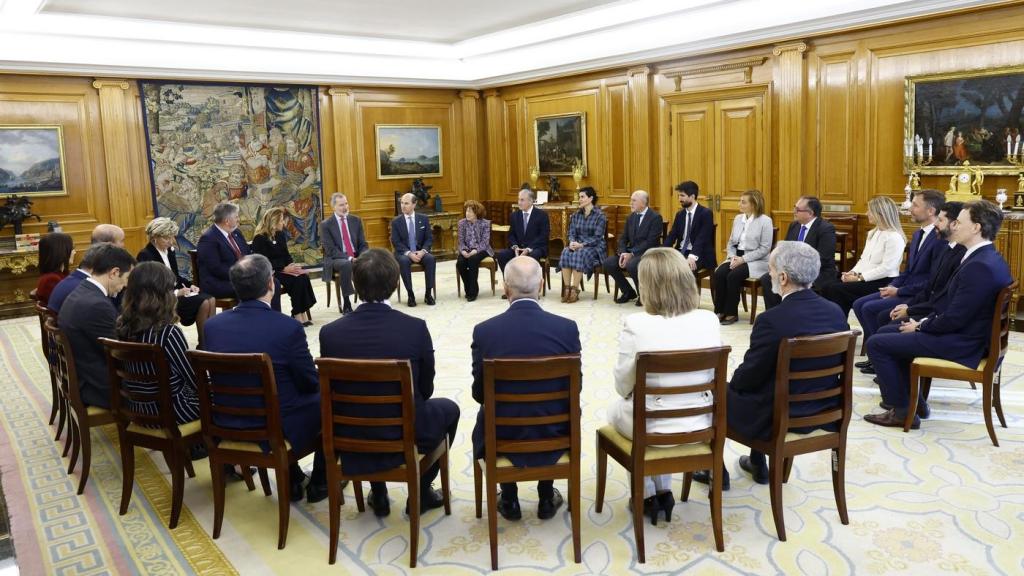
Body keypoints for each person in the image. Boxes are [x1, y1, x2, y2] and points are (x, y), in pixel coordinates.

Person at [695, 242, 849, 489]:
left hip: (778, 417)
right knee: (768, 384)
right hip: (824, 410)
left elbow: (748, 377)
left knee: (711, 390)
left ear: (784, 277)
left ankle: (714, 470)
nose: (769, 275)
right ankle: (758, 463)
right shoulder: (836, 313)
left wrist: (729, 386)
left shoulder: (771, 320)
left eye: (771, 269)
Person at [319, 248, 459, 517]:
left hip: (351, 433)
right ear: (396, 284)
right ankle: (421, 490)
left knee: (365, 410)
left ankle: (379, 492)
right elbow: (426, 390)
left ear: (355, 285)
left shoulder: (330, 333)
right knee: (449, 409)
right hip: (405, 431)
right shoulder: (414, 327)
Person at [864, 200, 1013, 429]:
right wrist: (921, 321)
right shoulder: (984, 257)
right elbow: (956, 309)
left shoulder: (979, 265)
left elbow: (955, 318)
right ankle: (916, 404)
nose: (954, 226)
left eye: (960, 222)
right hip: (966, 334)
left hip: (964, 342)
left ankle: (903, 411)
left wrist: (920, 326)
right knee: (890, 332)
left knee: (878, 343)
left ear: (976, 228)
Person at [201, 254, 328, 503]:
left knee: (281, 394)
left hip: (228, 420)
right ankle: (321, 483)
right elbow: (309, 382)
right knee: (329, 397)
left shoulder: (212, 326)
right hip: (275, 427)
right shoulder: (287, 327)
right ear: (271, 284)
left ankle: (293, 479)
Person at [607, 248, 721, 523]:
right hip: (701, 422)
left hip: (652, 426)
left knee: (621, 409)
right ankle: (664, 491)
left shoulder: (637, 324)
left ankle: (646, 494)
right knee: (653, 409)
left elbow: (623, 386)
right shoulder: (708, 319)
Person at [471, 256, 581, 521]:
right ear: (541, 285)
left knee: (485, 415)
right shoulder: (567, 329)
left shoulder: (485, 331)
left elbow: (478, 394)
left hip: (503, 437)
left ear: (505, 288)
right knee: (563, 408)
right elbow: (576, 389)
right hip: (554, 434)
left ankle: (508, 498)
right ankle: (546, 495)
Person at [852, 189, 945, 373]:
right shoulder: (919, 234)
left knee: (870, 308)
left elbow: (932, 280)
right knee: (860, 303)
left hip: (918, 295)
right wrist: (893, 286)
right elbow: (908, 271)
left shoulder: (939, 238)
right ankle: (876, 355)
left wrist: (899, 292)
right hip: (905, 287)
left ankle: (882, 355)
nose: (910, 208)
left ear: (931, 211)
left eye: (916, 205)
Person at [114, 262, 201, 431]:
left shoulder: (121, 325)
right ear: (163, 295)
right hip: (171, 412)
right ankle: (199, 446)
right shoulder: (167, 333)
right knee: (219, 398)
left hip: (137, 410)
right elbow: (194, 379)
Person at [57, 244, 136, 409]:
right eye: (126, 278)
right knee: (166, 387)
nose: (125, 285)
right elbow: (119, 355)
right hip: (100, 387)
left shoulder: (82, 291)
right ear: (114, 273)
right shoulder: (97, 304)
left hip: (86, 376)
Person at [876, 202, 966, 330]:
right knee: (883, 317)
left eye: (940, 220)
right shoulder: (948, 248)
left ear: (954, 224)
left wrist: (915, 317)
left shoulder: (960, 255)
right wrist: (908, 307)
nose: (935, 224)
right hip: (926, 303)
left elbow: (943, 298)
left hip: (935, 314)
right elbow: (931, 287)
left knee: (884, 330)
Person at [821, 196, 906, 318]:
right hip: (865, 278)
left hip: (883, 281)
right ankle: (830, 325)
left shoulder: (894, 237)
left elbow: (887, 268)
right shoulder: (873, 233)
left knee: (836, 290)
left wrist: (859, 278)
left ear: (880, 214)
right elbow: (863, 259)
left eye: (870, 211)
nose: (867, 214)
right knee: (827, 286)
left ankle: (838, 327)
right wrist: (852, 273)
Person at [136, 217, 215, 341]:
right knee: (204, 303)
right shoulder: (146, 255)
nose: (171, 242)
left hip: (175, 293)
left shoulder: (169, 251)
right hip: (162, 298)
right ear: (154, 237)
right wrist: (177, 293)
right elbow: (150, 287)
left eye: (172, 237)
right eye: (167, 238)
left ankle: (210, 341)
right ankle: (203, 345)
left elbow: (176, 277)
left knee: (211, 299)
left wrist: (190, 285)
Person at [759, 196, 836, 309]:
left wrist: (794, 271)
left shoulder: (826, 228)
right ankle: (776, 314)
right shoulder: (794, 225)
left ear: (810, 213)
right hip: (792, 270)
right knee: (767, 279)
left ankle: (795, 315)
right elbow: (785, 250)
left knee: (793, 283)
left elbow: (823, 258)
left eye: (798, 210)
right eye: (794, 208)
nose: (794, 212)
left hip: (816, 271)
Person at [713, 189, 773, 325]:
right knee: (720, 273)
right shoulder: (738, 219)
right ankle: (720, 310)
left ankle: (731, 312)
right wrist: (732, 256)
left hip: (755, 260)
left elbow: (765, 249)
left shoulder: (765, 221)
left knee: (733, 276)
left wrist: (743, 259)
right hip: (736, 256)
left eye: (743, 202)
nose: (739, 205)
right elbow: (731, 242)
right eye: (740, 201)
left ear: (754, 204)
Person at [252, 207, 317, 325]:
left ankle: (301, 312)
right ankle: (297, 314)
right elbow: (262, 262)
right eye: (281, 220)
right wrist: (283, 268)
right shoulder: (259, 238)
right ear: (273, 222)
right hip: (270, 272)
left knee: (302, 277)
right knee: (295, 281)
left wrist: (293, 266)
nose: (283, 223)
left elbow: (286, 255)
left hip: (283, 269)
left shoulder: (280, 235)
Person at [48, 223, 127, 312]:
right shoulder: (89, 292)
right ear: (109, 245)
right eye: (122, 241)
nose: (124, 246)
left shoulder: (75, 278)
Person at [603, 190, 663, 306]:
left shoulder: (655, 217)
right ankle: (628, 291)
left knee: (632, 265)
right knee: (609, 262)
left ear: (643, 202)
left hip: (648, 253)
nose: (630, 203)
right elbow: (623, 238)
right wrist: (623, 253)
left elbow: (651, 242)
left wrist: (632, 254)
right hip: (631, 252)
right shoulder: (631, 217)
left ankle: (644, 295)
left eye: (634, 200)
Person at [320, 192, 368, 315]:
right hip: (336, 258)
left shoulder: (356, 220)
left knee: (371, 262)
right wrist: (350, 258)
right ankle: (347, 303)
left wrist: (362, 256)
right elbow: (330, 250)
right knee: (346, 264)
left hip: (356, 255)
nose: (345, 207)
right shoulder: (326, 225)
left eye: (346, 204)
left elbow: (363, 244)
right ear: (333, 207)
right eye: (341, 205)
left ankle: (368, 299)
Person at [557, 187, 607, 303]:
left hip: (594, 247)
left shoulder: (600, 216)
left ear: (590, 198)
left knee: (579, 253)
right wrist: (572, 242)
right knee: (566, 251)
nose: (579, 199)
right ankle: (567, 289)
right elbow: (571, 233)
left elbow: (597, 238)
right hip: (577, 245)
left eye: (582, 197)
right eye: (579, 197)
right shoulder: (575, 215)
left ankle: (575, 290)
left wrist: (582, 245)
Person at [494, 187, 550, 287]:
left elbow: (543, 236)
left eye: (522, 200)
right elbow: (511, 235)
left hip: (535, 248)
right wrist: (515, 246)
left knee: (533, 256)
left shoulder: (542, 215)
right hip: (518, 248)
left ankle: (531, 287)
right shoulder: (514, 216)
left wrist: (528, 249)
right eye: (519, 199)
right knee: (502, 255)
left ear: (531, 201)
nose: (519, 202)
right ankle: (511, 286)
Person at [390, 193, 436, 307]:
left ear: (414, 204)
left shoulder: (423, 219)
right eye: (401, 203)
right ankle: (410, 295)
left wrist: (423, 251)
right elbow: (396, 242)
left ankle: (428, 294)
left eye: (406, 203)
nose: (403, 206)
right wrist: (409, 253)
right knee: (404, 261)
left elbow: (429, 238)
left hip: (421, 252)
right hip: (404, 253)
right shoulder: (396, 221)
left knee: (431, 259)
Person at [663, 180, 716, 272]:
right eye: (678, 195)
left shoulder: (706, 213)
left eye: (682, 196)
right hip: (681, 251)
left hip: (699, 253)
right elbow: (672, 235)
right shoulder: (680, 214)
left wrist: (692, 256)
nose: (679, 199)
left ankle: (686, 287)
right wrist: (663, 251)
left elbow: (702, 238)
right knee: (660, 266)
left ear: (692, 196)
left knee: (682, 269)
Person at [456, 200, 494, 302]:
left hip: (482, 249)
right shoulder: (461, 223)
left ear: (476, 213)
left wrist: (475, 250)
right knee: (460, 263)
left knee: (472, 260)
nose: (467, 214)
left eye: (470, 212)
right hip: (466, 249)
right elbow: (461, 241)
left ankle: (472, 291)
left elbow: (485, 242)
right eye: (466, 211)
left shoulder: (485, 223)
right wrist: (463, 250)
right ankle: (468, 287)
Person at [35, 232, 75, 307]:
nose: (74, 252)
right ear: (61, 252)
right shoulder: (51, 280)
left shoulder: (61, 274)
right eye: (71, 248)